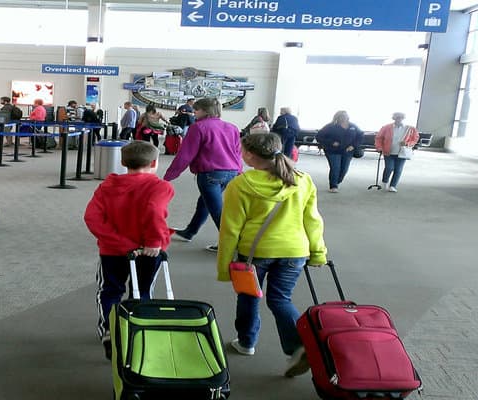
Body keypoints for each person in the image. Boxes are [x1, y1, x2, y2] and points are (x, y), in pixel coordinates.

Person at [217, 133, 327, 377]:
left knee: (248, 296)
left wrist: (225, 265)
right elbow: (313, 220)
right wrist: (318, 252)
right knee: (280, 299)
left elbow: (230, 229)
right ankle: (299, 346)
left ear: (249, 155)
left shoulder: (241, 184)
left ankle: (246, 343)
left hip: (255, 252)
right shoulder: (302, 179)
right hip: (295, 251)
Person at [84, 140, 175, 360]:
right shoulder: (160, 186)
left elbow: (92, 218)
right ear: (154, 162)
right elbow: (154, 210)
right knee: (142, 291)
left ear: (123, 162)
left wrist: (121, 243)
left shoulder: (107, 186)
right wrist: (153, 241)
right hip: (148, 251)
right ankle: (138, 330)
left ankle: (109, 330)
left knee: (111, 291)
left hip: (112, 251)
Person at [164, 97, 241, 251]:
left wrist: (168, 176)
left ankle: (233, 245)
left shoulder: (198, 128)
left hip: (210, 174)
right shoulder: (232, 127)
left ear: (204, 111)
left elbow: (185, 155)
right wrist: (239, 171)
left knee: (217, 211)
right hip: (231, 173)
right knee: (205, 203)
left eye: (196, 110)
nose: (194, 114)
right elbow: (237, 152)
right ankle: (190, 231)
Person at [315, 110, 364, 193]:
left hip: (348, 151)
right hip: (332, 151)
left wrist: (353, 146)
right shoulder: (330, 126)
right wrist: (331, 142)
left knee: (344, 169)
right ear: (337, 117)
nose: (344, 118)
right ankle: (333, 186)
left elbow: (360, 136)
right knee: (335, 168)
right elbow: (319, 136)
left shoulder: (353, 126)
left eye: (346, 116)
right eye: (342, 116)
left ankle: (337, 181)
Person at [374, 112, 419, 193]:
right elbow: (379, 138)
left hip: (402, 152)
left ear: (403, 118)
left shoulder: (410, 128)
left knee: (398, 169)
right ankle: (385, 181)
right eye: (397, 117)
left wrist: (407, 143)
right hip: (388, 152)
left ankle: (393, 186)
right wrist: (379, 147)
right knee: (389, 168)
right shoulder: (386, 127)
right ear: (394, 118)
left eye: (400, 117)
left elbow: (415, 139)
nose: (399, 119)